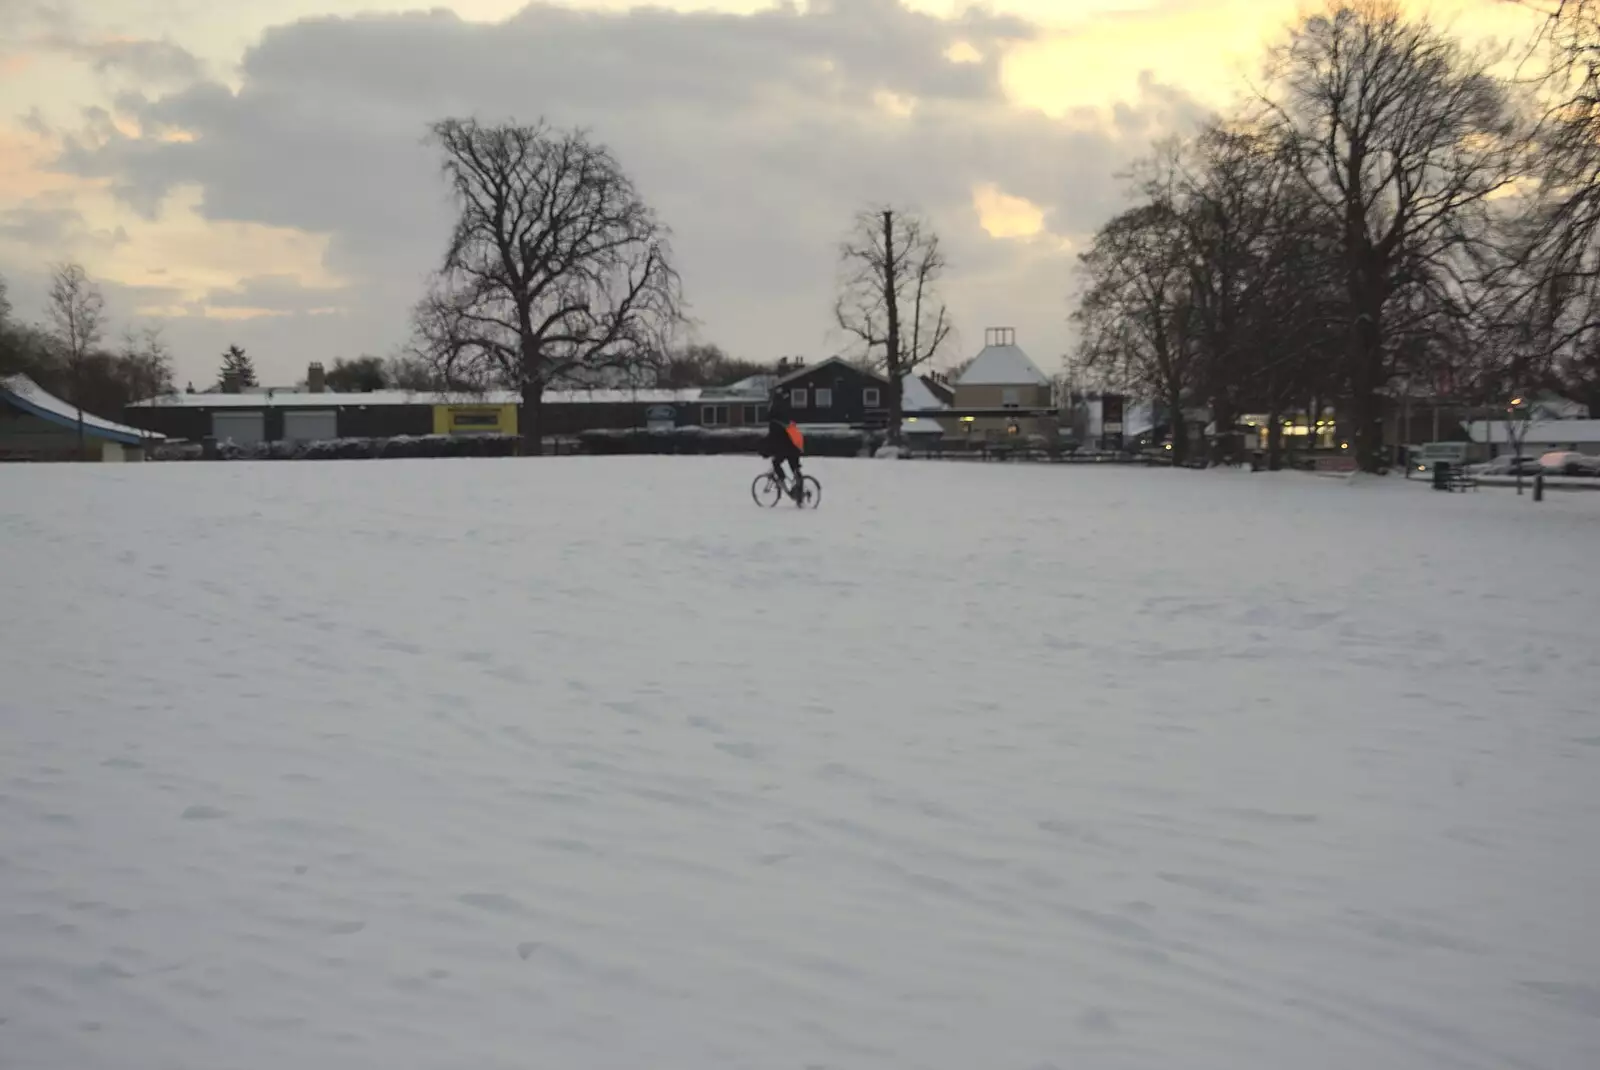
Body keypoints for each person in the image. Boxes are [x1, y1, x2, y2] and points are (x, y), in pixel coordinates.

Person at [762, 389, 805, 499]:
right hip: (795, 446)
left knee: (776, 462)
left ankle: (782, 479)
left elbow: (773, 439)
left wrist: (765, 450)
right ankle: (799, 491)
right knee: (795, 468)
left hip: (786, 448)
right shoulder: (786, 414)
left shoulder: (774, 422)